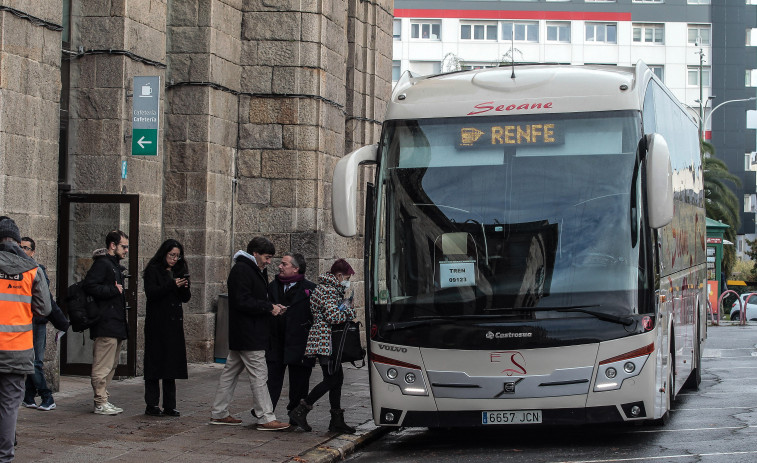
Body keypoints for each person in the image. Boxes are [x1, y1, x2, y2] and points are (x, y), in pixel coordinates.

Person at [209, 237, 290, 431]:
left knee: (230, 374)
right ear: (255, 253)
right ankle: (265, 417)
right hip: (249, 334)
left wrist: (270, 306)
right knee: (259, 376)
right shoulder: (243, 270)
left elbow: (249, 299)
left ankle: (219, 413)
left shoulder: (249, 269)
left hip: (245, 333)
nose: (269, 262)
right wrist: (268, 307)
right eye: (267, 257)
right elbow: (242, 301)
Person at [0, 217, 51, 461]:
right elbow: (44, 309)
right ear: (18, 241)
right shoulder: (32, 269)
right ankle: (5, 457)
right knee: (9, 405)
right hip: (17, 348)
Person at [288, 258, 357, 433]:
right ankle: (300, 411)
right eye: (347, 277)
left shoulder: (331, 289)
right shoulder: (327, 290)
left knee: (337, 379)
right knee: (332, 379)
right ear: (339, 275)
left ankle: (336, 420)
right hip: (325, 340)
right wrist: (351, 311)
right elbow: (333, 317)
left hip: (329, 341)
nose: (348, 281)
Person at [19, 236, 70, 411]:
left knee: (35, 362)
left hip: (37, 322)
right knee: (31, 361)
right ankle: (28, 397)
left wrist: (61, 322)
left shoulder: (37, 270)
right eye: (21, 247)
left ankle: (47, 396)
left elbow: (44, 299)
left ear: (33, 252)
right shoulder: (19, 270)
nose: (23, 250)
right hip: (25, 322)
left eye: (26, 248)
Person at [82, 230, 129, 415]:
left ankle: (104, 398)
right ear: (113, 245)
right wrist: (111, 289)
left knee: (112, 365)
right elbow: (89, 286)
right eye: (123, 246)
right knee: (102, 365)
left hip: (115, 322)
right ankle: (100, 401)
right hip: (106, 322)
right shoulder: (102, 264)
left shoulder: (114, 265)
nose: (125, 250)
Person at [142, 239, 190, 417]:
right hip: (157, 324)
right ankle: (152, 404)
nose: (174, 259)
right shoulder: (153, 270)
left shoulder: (179, 270)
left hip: (173, 325)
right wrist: (171, 285)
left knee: (171, 366)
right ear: (164, 254)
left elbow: (185, 298)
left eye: (177, 256)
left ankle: (170, 404)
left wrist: (184, 286)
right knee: (155, 364)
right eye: (172, 255)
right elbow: (152, 293)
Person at [266, 253, 316, 419]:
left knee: (300, 382)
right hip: (276, 341)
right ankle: (266, 412)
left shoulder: (311, 289)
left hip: (300, 342)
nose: (279, 266)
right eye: (281, 263)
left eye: (284, 264)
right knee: (272, 379)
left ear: (296, 268)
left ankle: (296, 414)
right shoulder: (272, 287)